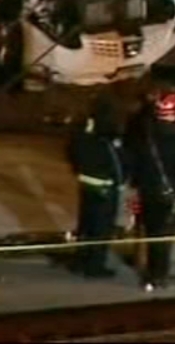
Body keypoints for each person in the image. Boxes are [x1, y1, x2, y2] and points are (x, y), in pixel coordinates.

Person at [127, 90, 175, 291]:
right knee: (164, 237)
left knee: (149, 232)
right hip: (170, 196)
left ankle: (147, 269)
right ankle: (158, 275)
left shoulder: (145, 139)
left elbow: (134, 163)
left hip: (147, 192)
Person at [67, 96, 125, 279]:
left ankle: (80, 260)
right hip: (105, 188)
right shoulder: (107, 135)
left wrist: (78, 170)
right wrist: (121, 181)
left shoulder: (82, 129)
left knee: (86, 225)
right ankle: (95, 267)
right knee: (101, 229)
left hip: (86, 184)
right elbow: (117, 162)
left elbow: (71, 152)